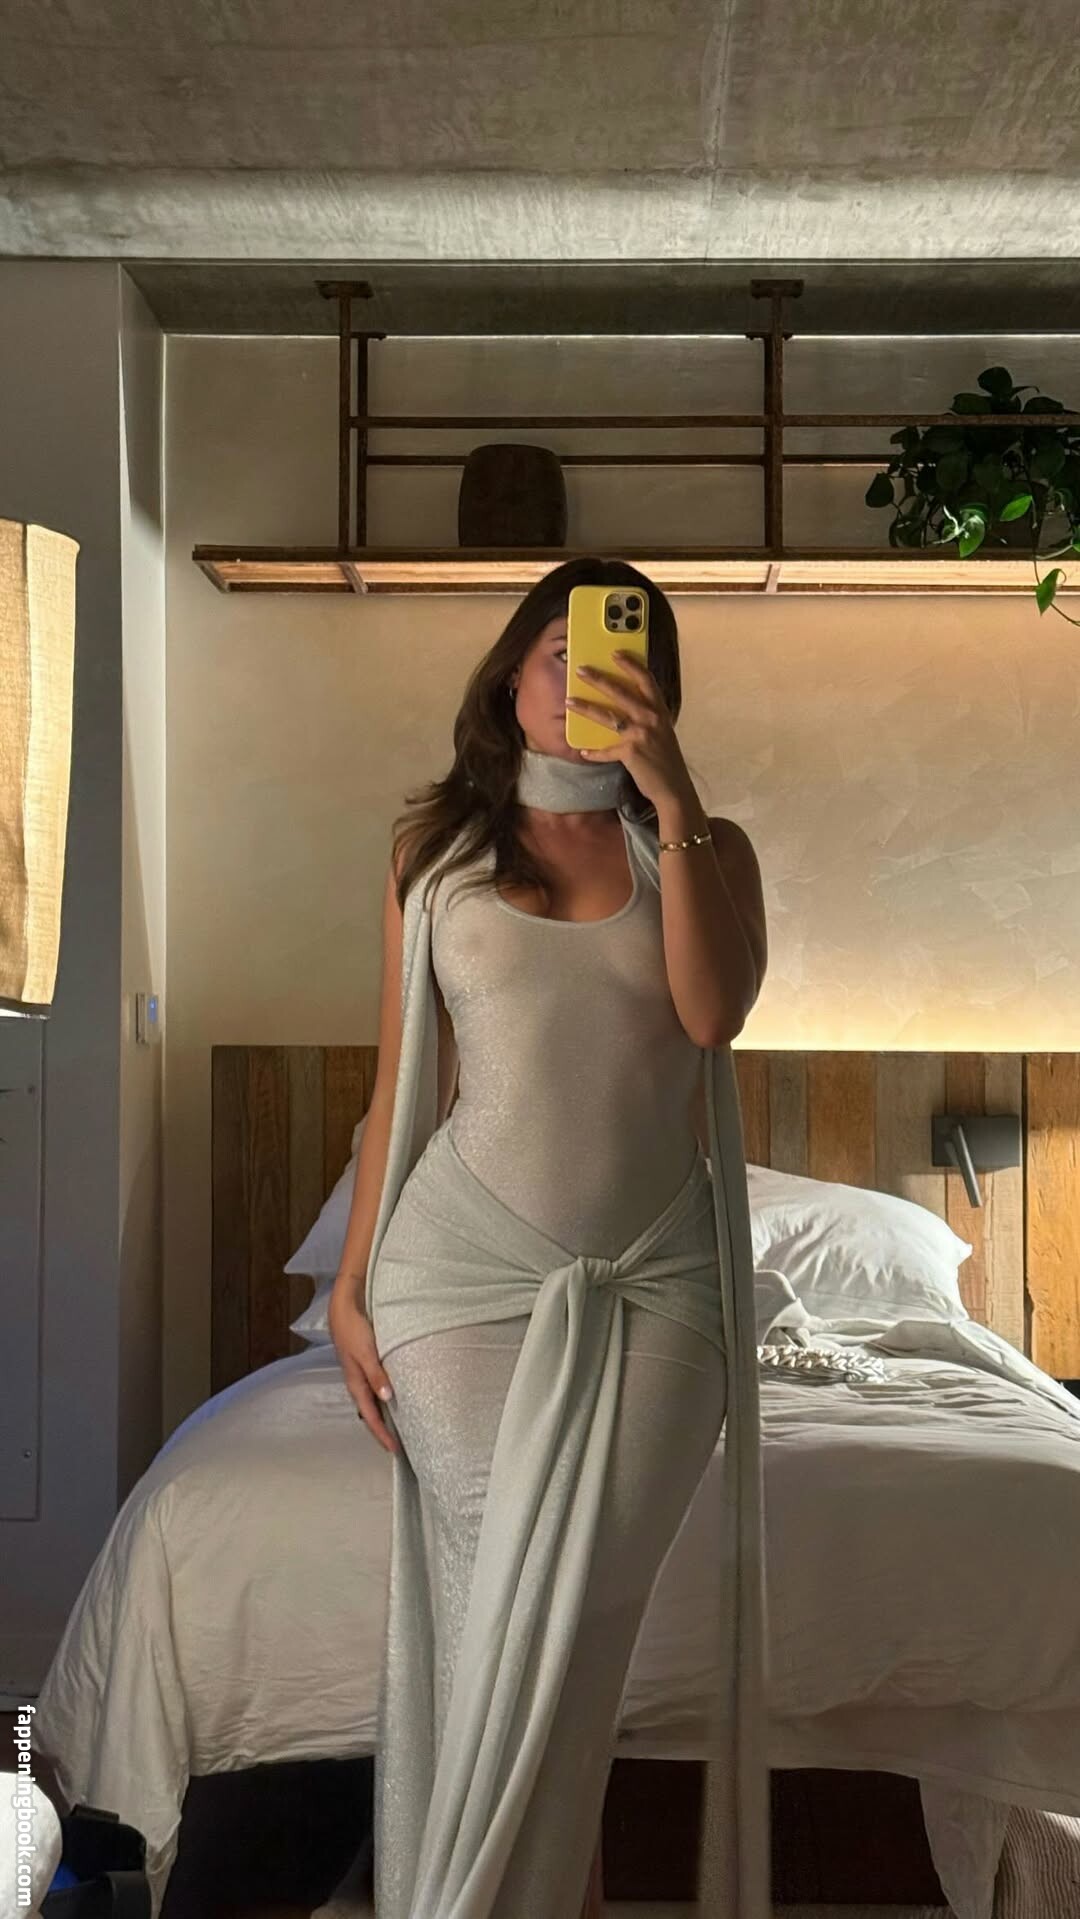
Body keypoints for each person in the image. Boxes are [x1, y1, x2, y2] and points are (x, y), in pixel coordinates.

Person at [327, 555, 770, 1919]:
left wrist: (672, 798)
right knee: (504, 1612)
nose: (585, 679)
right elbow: (400, 1087)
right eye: (559, 655)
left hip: (661, 1286)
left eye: (622, 658)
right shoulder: (433, 854)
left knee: (573, 1614)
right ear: (510, 681)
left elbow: (712, 1018)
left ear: (662, 691)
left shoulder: (709, 849)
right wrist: (348, 1285)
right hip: (455, 1277)